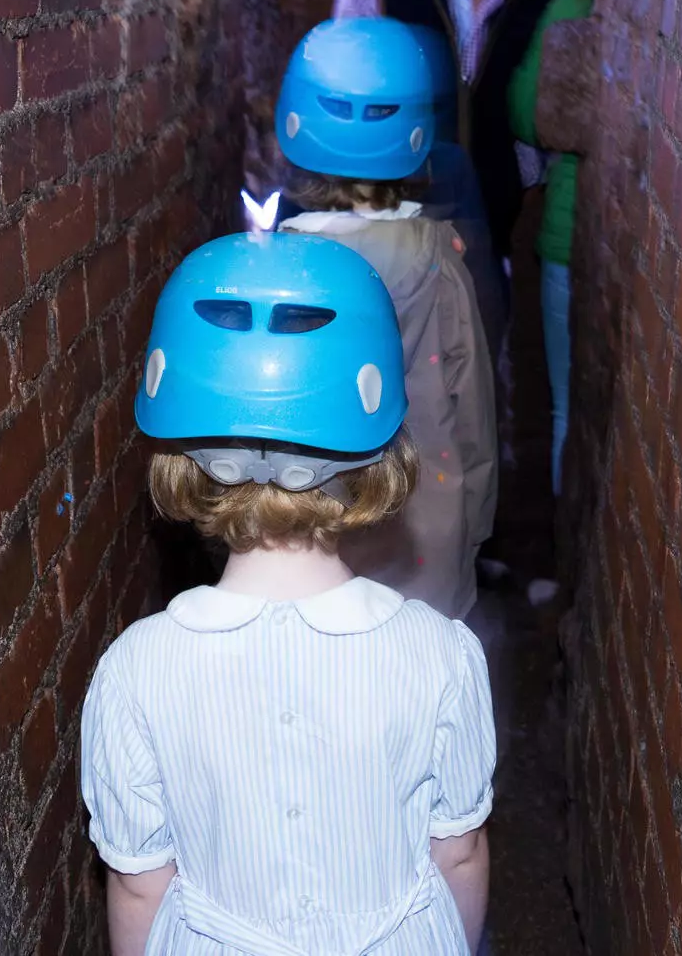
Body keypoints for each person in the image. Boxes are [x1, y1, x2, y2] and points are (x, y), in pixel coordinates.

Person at [82, 231, 495, 956]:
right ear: (378, 452)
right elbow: (457, 852)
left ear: (187, 458)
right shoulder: (442, 654)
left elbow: (141, 884)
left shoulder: (133, 671)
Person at [272, 18, 498, 618]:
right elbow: (469, 400)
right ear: (419, 131)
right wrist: (475, 523)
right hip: (426, 527)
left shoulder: (279, 270)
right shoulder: (437, 261)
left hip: (308, 536)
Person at [333, 0, 561, 358]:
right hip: (389, 244)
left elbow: (543, 137)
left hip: (488, 250)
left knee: (473, 398)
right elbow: (340, 124)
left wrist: (514, 201)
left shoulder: (541, 0)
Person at [507, 0, 594, 497]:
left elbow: (526, 112)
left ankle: (569, 570)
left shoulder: (574, 4)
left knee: (566, 407)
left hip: (566, 233)